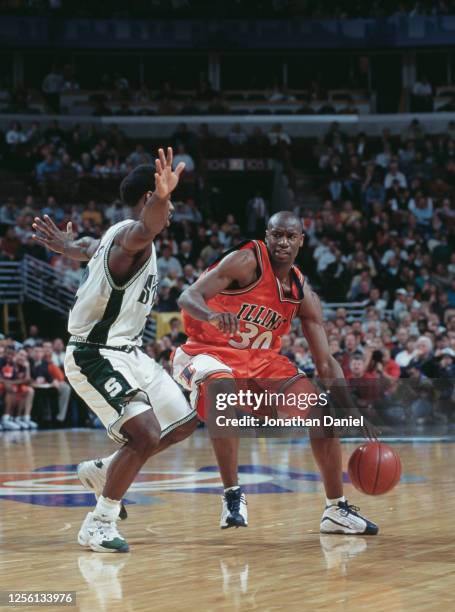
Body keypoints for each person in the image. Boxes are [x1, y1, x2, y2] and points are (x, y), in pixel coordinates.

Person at [32, 149, 197, 553]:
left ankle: (104, 471)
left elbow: (89, 245)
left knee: (185, 421)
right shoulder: (134, 236)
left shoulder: (113, 235)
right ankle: (99, 522)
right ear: (148, 198)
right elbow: (147, 229)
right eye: (165, 201)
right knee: (144, 434)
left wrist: (68, 247)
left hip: (130, 352)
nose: (171, 208)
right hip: (94, 353)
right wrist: (160, 200)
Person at [173, 211, 378, 535]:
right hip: (206, 352)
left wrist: (352, 411)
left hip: (260, 363)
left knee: (322, 412)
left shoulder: (301, 293)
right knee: (216, 392)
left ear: (301, 241)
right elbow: (187, 296)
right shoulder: (246, 260)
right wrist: (212, 315)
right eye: (276, 235)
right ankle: (232, 495)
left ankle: (336, 509)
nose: (282, 242)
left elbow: (325, 363)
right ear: (267, 236)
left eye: (290, 236)